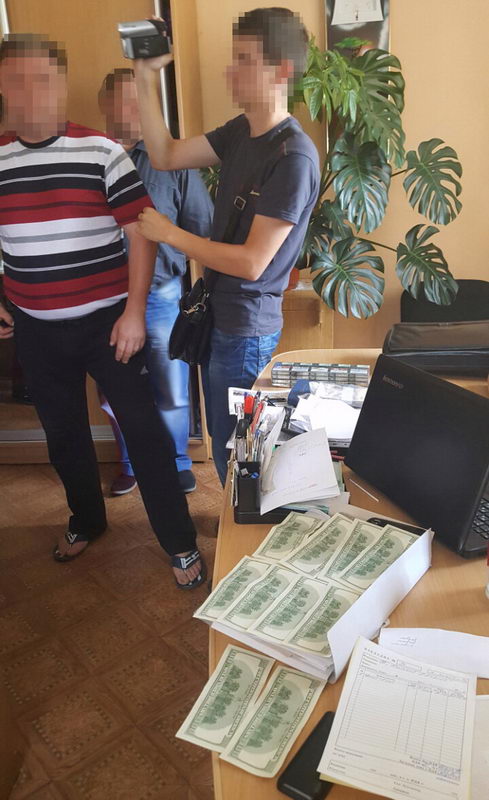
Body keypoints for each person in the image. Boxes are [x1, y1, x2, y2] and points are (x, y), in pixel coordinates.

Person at [0, 34, 205, 589]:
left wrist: (134, 312)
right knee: (63, 433)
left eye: (41, 79)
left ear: (61, 85)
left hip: (109, 325)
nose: (29, 92)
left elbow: (141, 234)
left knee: (144, 431)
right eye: (16, 80)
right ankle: (87, 520)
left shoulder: (101, 152)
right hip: (36, 329)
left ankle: (179, 541)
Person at [133, 7, 320, 485]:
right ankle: (236, 521)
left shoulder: (293, 156)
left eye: (244, 60)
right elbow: (165, 154)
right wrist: (145, 75)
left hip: (246, 330)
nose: (230, 71)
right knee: (229, 447)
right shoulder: (241, 132)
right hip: (221, 317)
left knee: (239, 458)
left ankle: (242, 527)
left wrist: (170, 235)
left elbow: (253, 263)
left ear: (281, 70)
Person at [98, 68, 213, 496]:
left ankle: (177, 461)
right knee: (116, 391)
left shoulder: (173, 162)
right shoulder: (89, 158)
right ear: (104, 105)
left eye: (138, 101)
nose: (130, 109)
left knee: (171, 388)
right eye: (121, 100)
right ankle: (130, 464)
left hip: (163, 295)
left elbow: (203, 227)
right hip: (106, 300)